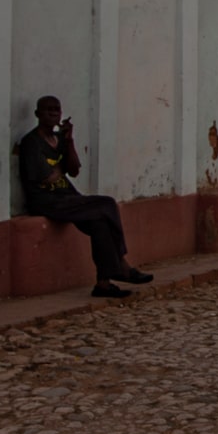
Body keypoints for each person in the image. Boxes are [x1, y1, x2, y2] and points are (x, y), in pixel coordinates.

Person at [18, 96, 152, 298]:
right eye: (48, 110)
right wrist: (59, 168)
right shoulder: (31, 142)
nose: (54, 113)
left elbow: (74, 170)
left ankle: (103, 283)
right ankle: (122, 265)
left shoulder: (60, 140)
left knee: (100, 222)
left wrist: (69, 141)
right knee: (106, 203)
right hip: (46, 201)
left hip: (66, 197)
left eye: (57, 110)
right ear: (38, 114)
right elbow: (48, 177)